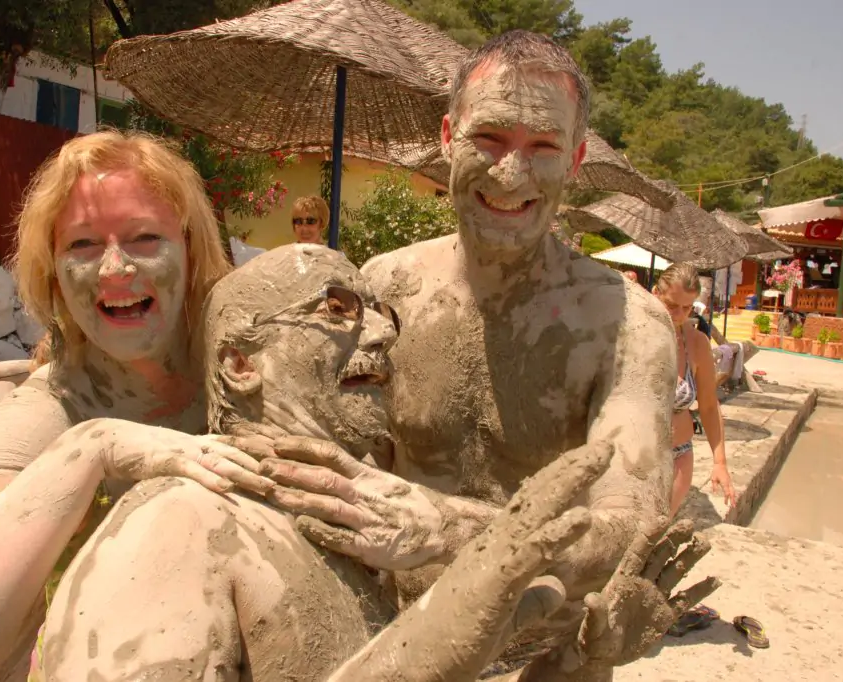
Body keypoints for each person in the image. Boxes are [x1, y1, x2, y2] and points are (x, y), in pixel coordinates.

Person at [31, 244, 717, 682]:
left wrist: (579, 663)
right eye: (339, 309)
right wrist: (433, 642)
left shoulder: (352, 533)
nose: (386, 333)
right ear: (240, 364)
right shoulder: (176, 525)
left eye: (383, 313)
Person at [254, 29, 678, 675]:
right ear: (448, 137)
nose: (511, 171)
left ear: (575, 159)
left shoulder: (623, 323)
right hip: (394, 641)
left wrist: (450, 530)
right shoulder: (386, 287)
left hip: (542, 653)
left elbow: (629, 526)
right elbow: (315, 445)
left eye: (542, 146)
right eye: (490, 138)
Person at [0, 130, 275, 682]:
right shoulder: (53, 412)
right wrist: (93, 448)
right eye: (82, 245)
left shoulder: (258, 367)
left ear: (191, 249)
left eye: (144, 237)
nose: (114, 268)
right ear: (54, 275)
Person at [652, 263, 737, 517]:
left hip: (678, 455)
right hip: (629, 457)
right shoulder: (630, 335)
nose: (679, 315)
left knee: (653, 531)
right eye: (671, 305)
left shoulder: (697, 343)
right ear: (655, 293)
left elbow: (709, 406)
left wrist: (720, 462)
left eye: (687, 308)